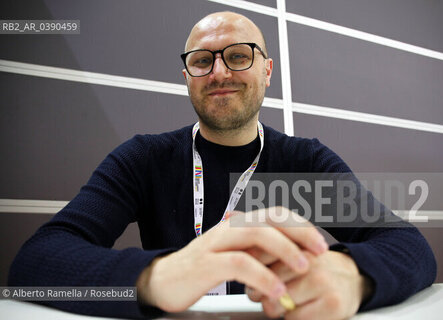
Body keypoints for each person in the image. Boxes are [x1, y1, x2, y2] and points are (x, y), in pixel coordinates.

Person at [8, 11, 436, 320]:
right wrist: (154, 277)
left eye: (238, 56)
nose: (218, 72)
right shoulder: (143, 159)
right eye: (201, 60)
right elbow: (35, 263)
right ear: (187, 77)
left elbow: (407, 246)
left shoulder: (303, 162)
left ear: (267, 71)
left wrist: (351, 275)